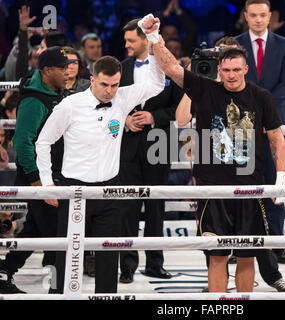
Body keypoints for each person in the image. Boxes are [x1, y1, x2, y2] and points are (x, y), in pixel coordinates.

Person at [35, 16, 165, 294]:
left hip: (109, 190)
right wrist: (47, 183)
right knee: (65, 255)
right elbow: (43, 142)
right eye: (105, 85)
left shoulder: (122, 97)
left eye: (115, 85)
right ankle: (58, 298)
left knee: (109, 256)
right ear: (92, 79)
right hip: (74, 190)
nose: (110, 91)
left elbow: (156, 84)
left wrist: (153, 39)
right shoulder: (70, 105)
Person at [152, 31, 285, 291]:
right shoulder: (205, 89)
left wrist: (281, 174)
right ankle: (219, 306)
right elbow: (169, 66)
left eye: (236, 69)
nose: (231, 75)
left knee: (247, 256)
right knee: (217, 255)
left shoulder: (261, 97)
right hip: (212, 187)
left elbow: (275, 137)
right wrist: (153, 36)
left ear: (245, 68)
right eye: (226, 70)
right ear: (219, 69)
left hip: (250, 187)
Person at [117, 18, 183, 284]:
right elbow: (109, 105)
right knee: (128, 208)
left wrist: (154, 117)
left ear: (145, 39)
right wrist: (125, 120)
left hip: (160, 142)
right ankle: (127, 266)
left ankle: (156, 264)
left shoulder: (168, 66)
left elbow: (179, 110)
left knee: (156, 207)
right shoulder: (120, 68)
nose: (127, 45)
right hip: (128, 145)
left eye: (131, 40)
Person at [0, 46, 70, 294]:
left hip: (51, 175)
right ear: (48, 70)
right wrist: (35, 180)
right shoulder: (34, 99)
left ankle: (4, 271)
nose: (68, 71)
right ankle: (56, 288)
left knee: (36, 228)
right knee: (53, 232)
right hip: (41, 178)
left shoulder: (54, 93)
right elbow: (22, 141)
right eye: (62, 68)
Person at [236, 0, 285, 265]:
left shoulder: (283, 44)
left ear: (270, 16)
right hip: (241, 121)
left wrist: (264, 109)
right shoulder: (235, 44)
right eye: (253, 15)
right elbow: (231, 80)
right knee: (240, 186)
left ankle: (277, 244)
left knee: (276, 183)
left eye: (263, 15)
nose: (258, 20)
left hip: (274, 122)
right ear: (245, 16)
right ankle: (238, 242)